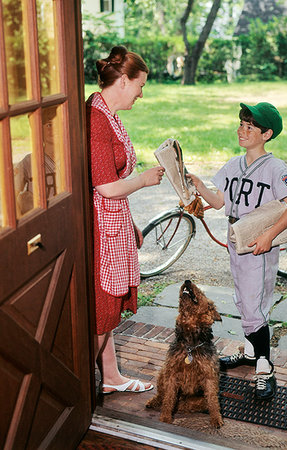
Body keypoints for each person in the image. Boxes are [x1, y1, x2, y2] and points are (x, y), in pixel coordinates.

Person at [187, 102, 287, 400]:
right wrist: (199, 185)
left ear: (267, 134)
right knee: (242, 298)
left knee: (254, 305)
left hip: (259, 242)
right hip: (237, 236)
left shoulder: (276, 168)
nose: (242, 130)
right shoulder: (233, 164)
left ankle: (265, 367)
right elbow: (217, 202)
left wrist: (269, 235)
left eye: (250, 126)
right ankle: (251, 353)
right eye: (241, 123)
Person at [86, 45, 165, 394]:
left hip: (113, 220)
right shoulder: (97, 119)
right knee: (102, 304)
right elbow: (104, 186)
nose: (142, 93)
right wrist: (143, 180)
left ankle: (110, 376)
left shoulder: (109, 113)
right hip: (100, 224)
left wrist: (130, 223)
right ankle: (96, 380)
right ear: (123, 81)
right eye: (140, 85)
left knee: (106, 305)